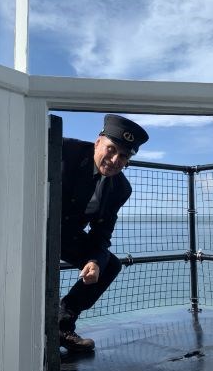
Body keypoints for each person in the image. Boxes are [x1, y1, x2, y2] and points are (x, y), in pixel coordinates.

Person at [58, 114, 149, 352]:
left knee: (109, 264)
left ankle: (61, 323)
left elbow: (102, 231)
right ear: (98, 142)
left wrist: (95, 261)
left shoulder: (121, 188)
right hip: (31, 227)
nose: (115, 160)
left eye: (124, 156)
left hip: (65, 235)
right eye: (112, 149)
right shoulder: (63, 151)